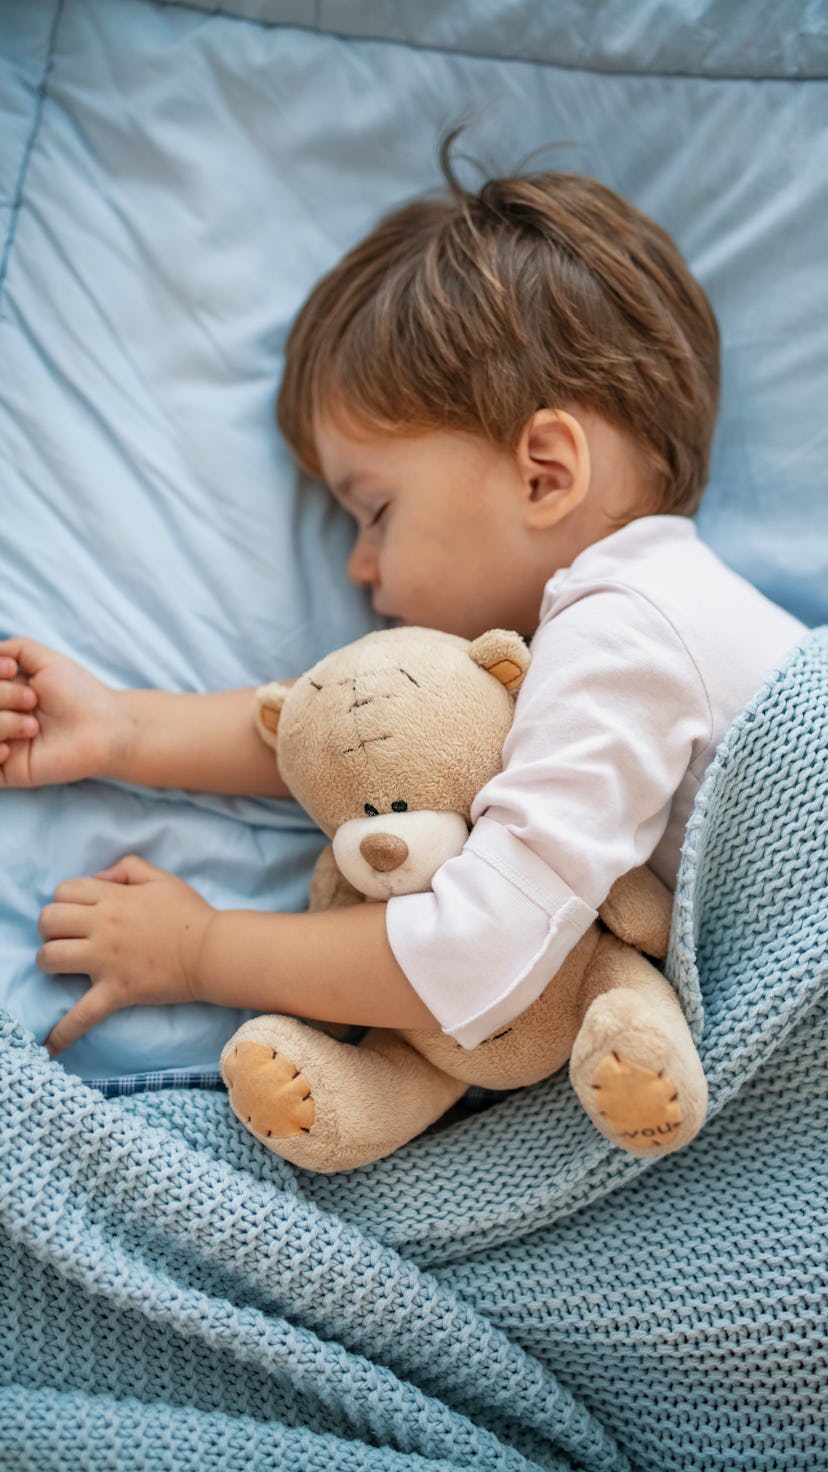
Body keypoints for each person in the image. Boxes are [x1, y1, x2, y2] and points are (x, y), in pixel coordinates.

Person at [0, 165, 805, 1061]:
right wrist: (123, 729)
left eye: (376, 509)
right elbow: (376, 739)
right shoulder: (602, 636)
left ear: (543, 473)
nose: (357, 566)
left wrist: (198, 952)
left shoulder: (624, 629)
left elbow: (479, 951)